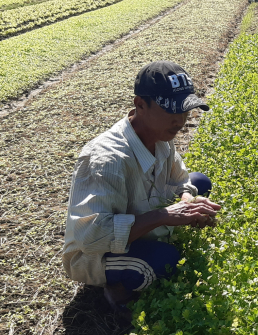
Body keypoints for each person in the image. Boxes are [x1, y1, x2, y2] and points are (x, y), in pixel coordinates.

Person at [62, 60, 221, 315]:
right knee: (166, 262)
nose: (181, 120)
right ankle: (117, 292)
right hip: (94, 254)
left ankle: (153, 243)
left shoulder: (160, 137)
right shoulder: (109, 159)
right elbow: (91, 236)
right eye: (172, 111)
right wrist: (164, 215)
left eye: (185, 111)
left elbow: (182, 180)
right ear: (140, 105)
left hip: (139, 218)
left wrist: (188, 200)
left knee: (200, 182)